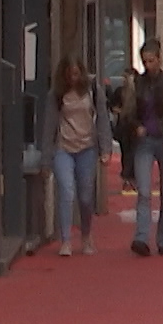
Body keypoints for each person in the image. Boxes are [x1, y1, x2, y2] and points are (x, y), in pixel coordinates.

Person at [117, 40, 163, 256]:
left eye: (152, 60)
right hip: (145, 140)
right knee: (145, 192)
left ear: (159, 59)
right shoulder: (136, 83)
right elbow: (127, 112)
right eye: (145, 61)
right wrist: (136, 126)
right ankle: (141, 237)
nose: (148, 65)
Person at [42, 57, 113, 257]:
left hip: (87, 147)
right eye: (69, 75)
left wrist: (105, 148)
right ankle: (66, 240)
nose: (73, 79)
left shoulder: (93, 89)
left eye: (76, 74)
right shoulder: (56, 94)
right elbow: (49, 126)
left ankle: (87, 235)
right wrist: (46, 159)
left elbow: (102, 119)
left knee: (85, 195)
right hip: (63, 147)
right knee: (66, 191)